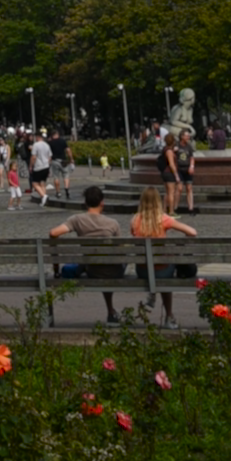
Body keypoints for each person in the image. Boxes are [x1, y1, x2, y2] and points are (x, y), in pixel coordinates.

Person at [49, 183, 125, 324]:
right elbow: (120, 250)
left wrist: (55, 265)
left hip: (92, 269)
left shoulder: (77, 220)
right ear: (102, 202)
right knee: (109, 263)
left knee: (81, 265)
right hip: (114, 271)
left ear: (85, 203)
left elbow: (53, 233)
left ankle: (111, 310)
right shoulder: (113, 223)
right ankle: (111, 311)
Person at [130, 185, 197, 328]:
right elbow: (192, 232)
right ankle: (169, 316)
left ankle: (153, 292)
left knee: (158, 265)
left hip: (142, 270)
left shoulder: (135, 219)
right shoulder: (164, 219)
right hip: (162, 271)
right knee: (166, 268)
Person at [157, 131, 180, 214]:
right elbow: (171, 164)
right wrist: (176, 175)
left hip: (164, 172)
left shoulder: (165, 149)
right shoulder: (169, 151)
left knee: (167, 192)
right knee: (171, 192)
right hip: (169, 173)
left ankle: (164, 209)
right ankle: (171, 211)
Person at [29, 132, 52, 205]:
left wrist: (31, 166)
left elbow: (33, 157)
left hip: (38, 166)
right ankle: (43, 200)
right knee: (42, 183)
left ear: (38, 137)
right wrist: (48, 165)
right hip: (46, 166)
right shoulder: (47, 145)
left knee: (34, 183)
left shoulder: (36, 145)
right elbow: (50, 157)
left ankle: (44, 196)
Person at [175, 129, 196, 213]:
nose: (188, 137)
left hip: (187, 169)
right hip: (179, 169)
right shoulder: (177, 145)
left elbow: (191, 157)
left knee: (189, 188)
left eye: (188, 136)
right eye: (186, 136)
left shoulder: (189, 146)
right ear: (182, 136)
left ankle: (191, 208)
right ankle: (175, 207)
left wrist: (192, 166)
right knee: (179, 188)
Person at [49, 132, 72, 201]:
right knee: (66, 175)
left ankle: (58, 192)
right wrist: (71, 158)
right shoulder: (63, 141)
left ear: (52, 135)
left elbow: (49, 154)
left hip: (55, 161)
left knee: (56, 177)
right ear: (57, 135)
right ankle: (67, 189)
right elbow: (68, 150)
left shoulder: (50, 143)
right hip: (63, 161)